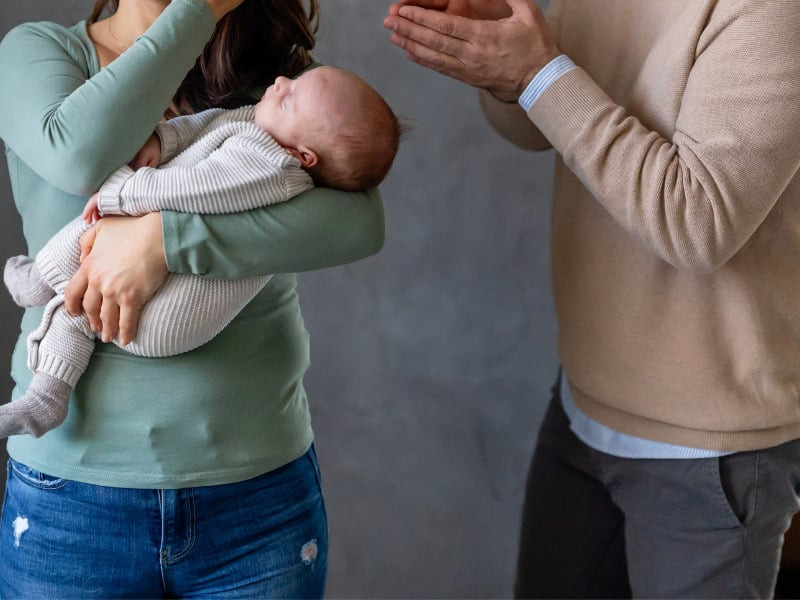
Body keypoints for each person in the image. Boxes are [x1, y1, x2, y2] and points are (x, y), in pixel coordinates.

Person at [384, 0, 800, 597]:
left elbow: (696, 222)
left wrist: (536, 73)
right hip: (584, 402)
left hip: (705, 444)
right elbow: (542, 122)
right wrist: (505, 57)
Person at [0, 0, 387, 597]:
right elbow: (78, 156)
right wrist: (196, 12)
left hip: (256, 500)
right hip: (72, 501)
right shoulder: (39, 53)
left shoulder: (270, 77)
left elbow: (359, 223)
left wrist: (163, 239)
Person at [1, 65, 399, 440]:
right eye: (292, 80)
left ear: (304, 156)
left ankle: (38, 279)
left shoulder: (270, 166)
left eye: (290, 96)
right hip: (162, 318)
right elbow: (209, 124)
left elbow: (191, 187)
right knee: (80, 307)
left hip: (171, 314)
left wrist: (120, 192)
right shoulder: (265, 126)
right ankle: (46, 399)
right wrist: (164, 140)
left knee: (92, 229)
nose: (280, 81)